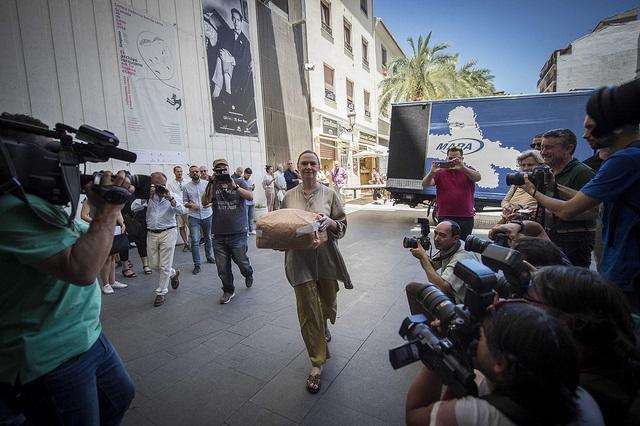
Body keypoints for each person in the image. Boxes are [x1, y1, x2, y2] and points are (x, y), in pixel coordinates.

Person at [0, 167, 135, 424]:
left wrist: (105, 209)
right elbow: (83, 268)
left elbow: (83, 240)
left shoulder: (35, 204)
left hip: (87, 335)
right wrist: (108, 210)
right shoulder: (9, 209)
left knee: (119, 396)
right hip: (50, 353)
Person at [518, 78, 640, 307]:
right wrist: (553, 186)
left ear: (618, 126)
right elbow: (588, 198)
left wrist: (533, 191)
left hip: (628, 276)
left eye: (591, 127)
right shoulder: (630, 156)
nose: (585, 135)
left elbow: (567, 210)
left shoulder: (625, 159)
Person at [405, 301, 602, 426]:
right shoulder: (581, 397)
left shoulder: (479, 416)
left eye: (481, 338)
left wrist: (436, 355)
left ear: (500, 363)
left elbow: (414, 416)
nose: (475, 341)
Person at [527, 266, 640, 425]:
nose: (522, 308)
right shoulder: (617, 363)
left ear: (569, 321)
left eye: (531, 303)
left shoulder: (579, 396)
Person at [281, 150, 352, 394]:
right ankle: (317, 363)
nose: (308, 167)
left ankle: (323, 323)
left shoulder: (330, 194)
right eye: (304, 163)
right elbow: (281, 226)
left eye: (313, 163)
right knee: (308, 312)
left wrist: (330, 222)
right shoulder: (288, 196)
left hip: (327, 260)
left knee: (327, 303)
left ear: (319, 167)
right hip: (299, 262)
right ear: (298, 168)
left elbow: (342, 226)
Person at [537, 129, 596, 268]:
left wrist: (554, 213)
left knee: (572, 284)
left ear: (569, 148)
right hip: (551, 238)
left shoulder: (583, 172)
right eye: (542, 147)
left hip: (574, 241)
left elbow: (594, 212)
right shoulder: (547, 172)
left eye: (549, 147)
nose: (543, 152)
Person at [203, 158, 254, 304]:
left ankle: (248, 273)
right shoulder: (212, 184)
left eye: (223, 168)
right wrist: (212, 183)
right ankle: (228, 290)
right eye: (218, 169)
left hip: (238, 231)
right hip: (218, 233)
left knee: (242, 261)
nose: (221, 171)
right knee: (222, 267)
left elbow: (250, 196)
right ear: (214, 170)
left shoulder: (239, 181)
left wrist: (235, 186)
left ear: (228, 168)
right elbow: (204, 201)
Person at [131, 172, 183, 307]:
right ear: (151, 185)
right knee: (154, 265)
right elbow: (133, 207)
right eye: (157, 185)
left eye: (163, 185)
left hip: (169, 232)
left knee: (164, 265)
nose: (160, 188)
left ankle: (161, 293)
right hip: (152, 233)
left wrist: (170, 198)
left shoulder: (171, 195)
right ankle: (173, 273)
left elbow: (182, 210)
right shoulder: (147, 197)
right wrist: (145, 196)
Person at [409, 220, 480, 304]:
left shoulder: (462, 257)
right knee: (413, 288)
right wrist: (421, 254)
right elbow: (433, 266)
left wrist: (423, 257)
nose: (436, 239)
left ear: (455, 238)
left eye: (442, 235)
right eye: (435, 233)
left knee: (412, 288)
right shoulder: (452, 245)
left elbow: (442, 287)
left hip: (463, 304)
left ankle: (439, 317)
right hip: (453, 293)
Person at [422, 147, 481, 240]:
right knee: (444, 244)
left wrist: (462, 168)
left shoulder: (468, 170)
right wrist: (431, 173)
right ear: (446, 158)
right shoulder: (440, 172)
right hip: (445, 216)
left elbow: (477, 178)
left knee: (464, 245)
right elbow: (425, 184)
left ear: (462, 159)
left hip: (466, 217)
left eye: (456, 159)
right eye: (450, 158)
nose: (452, 161)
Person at [80, 198, 128, 294]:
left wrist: (123, 223)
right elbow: (83, 215)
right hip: (101, 230)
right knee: (106, 258)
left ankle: (112, 281)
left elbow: (117, 211)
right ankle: (106, 284)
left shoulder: (110, 197)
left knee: (113, 256)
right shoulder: (89, 200)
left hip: (114, 229)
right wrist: (98, 222)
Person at [183, 165, 214, 275]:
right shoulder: (186, 187)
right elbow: (184, 202)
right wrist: (191, 205)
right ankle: (197, 264)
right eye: (193, 172)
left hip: (207, 215)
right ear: (190, 174)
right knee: (195, 241)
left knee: (208, 237)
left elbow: (212, 199)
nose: (195, 173)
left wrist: (209, 204)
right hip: (194, 217)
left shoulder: (206, 184)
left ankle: (209, 256)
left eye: (197, 171)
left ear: (199, 173)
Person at [500, 150, 543, 223]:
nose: (526, 168)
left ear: (540, 165)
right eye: (523, 165)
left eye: (530, 165)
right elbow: (505, 201)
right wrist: (506, 206)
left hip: (530, 223)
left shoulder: (544, 182)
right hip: (510, 219)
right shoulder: (518, 180)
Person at [168, 165, 190, 252]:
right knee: (181, 227)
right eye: (178, 171)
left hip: (187, 207)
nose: (179, 173)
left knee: (191, 226)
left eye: (181, 171)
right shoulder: (170, 184)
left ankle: (193, 243)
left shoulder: (187, 182)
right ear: (174, 173)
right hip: (178, 209)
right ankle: (186, 243)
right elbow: (171, 196)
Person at [243, 168, 256, 235]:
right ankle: (246, 231)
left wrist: (252, 187)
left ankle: (252, 229)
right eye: (247, 175)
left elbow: (254, 186)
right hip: (245, 201)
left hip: (251, 201)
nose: (248, 177)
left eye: (249, 175)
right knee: (246, 217)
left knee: (251, 216)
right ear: (244, 173)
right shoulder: (241, 180)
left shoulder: (251, 180)